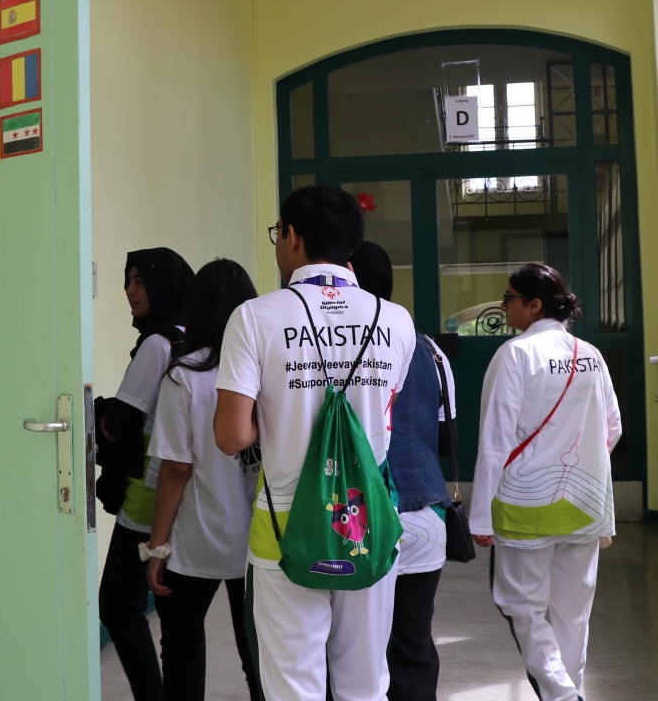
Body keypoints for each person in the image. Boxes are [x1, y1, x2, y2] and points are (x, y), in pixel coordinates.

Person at [213, 185, 417, 701]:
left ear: (293, 237)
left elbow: (231, 435)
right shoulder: (396, 321)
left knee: (292, 685)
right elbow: (384, 409)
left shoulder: (255, 317)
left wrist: (279, 414)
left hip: (284, 527)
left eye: (278, 234)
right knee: (365, 682)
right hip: (366, 521)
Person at [469, 264, 621, 701]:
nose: (504, 305)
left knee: (522, 606)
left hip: (525, 505)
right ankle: (572, 689)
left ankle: (560, 693)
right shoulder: (589, 351)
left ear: (534, 305)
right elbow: (612, 428)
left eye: (510, 297)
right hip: (586, 505)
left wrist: (481, 516)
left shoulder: (516, 354)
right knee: (574, 612)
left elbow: (495, 441)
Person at [142, 258, 265, 701]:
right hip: (263, 541)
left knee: (180, 649)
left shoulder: (186, 375)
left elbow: (176, 469)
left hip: (200, 539)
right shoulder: (270, 368)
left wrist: (156, 548)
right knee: (260, 658)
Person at [347, 241, 455, 701]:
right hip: (426, 518)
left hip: (358, 522)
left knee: (353, 656)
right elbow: (446, 438)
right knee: (413, 647)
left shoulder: (335, 347)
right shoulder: (431, 350)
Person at [98, 247, 194, 701]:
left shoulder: (158, 344)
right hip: (187, 496)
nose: (130, 291)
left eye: (139, 281)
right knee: (174, 617)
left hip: (147, 494)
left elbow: (118, 424)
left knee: (118, 606)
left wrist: (95, 417)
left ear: (163, 285)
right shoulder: (192, 337)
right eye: (127, 282)